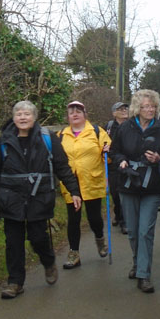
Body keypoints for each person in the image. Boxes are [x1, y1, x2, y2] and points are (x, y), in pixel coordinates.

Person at [0, 101, 82, 299]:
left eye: (27, 114)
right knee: (13, 242)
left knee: (38, 237)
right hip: (11, 198)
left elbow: (62, 167)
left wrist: (74, 191)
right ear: (14, 117)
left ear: (34, 117)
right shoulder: (4, 140)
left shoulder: (47, 138)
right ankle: (15, 282)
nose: (22, 117)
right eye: (19, 114)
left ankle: (48, 260)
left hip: (39, 197)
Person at [109, 89, 160, 293]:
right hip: (128, 184)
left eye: (153, 106)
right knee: (133, 232)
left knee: (145, 232)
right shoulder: (125, 127)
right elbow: (114, 151)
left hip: (152, 186)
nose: (150, 109)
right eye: (145, 106)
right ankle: (137, 262)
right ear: (137, 108)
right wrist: (121, 160)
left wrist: (159, 158)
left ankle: (144, 274)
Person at [58, 101, 111, 269]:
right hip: (70, 184)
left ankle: (100, 239)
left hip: (92, 181)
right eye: (71, 112)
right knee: (73, 219)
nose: (74, 114)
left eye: (78, 111)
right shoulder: (60, 135)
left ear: (84, 114)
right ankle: (74, 253)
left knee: (94, 217)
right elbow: (57, 160)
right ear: (67, 117)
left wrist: (107, 152)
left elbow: (109, 156)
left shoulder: (96, 132)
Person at [105, 102, 129, 234]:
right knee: (115, 193)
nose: (124, 110)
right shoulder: (108, 127)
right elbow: (101, 141)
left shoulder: (131, 125)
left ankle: (124, 221)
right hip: (112, 165)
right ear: (114, 113)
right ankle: (118, 214)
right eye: (120, 109)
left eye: (125, 108)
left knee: (124, 193)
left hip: (126, 164)